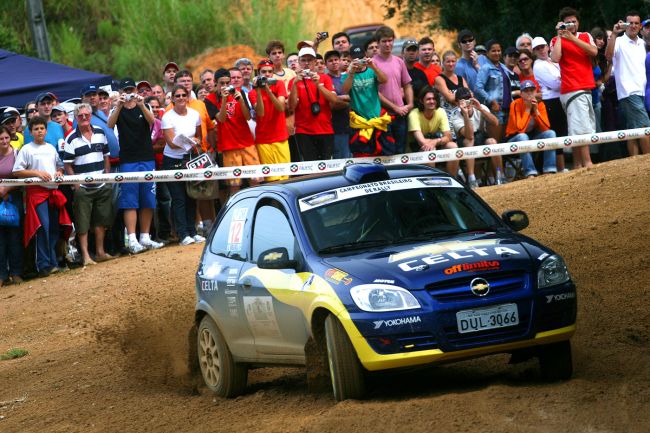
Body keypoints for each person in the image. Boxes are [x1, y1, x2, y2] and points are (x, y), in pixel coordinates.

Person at [107, 78, 163, 253]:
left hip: (146, 158)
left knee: (148, 197)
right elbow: (110, 124)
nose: (129, 92)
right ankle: (131, 238)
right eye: (126, 90)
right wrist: (119, 105)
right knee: (129, 200)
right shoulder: (118, 108)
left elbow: (152, 120)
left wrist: (141, 104)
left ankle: (145, 236)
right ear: (122, 92)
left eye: (131, 89)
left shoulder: (142, 105)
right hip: (128, 160)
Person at [13, 116, 72, 277]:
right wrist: (36, 172)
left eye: (42, 128)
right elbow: (17, 171)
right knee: (42, 228)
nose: (39, 131)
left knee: (53, 228)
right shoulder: (26, 149)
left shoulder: (51, 148)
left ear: (46, 130)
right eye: (36, 129)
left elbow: (59, 166)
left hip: (52, 192)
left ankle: (53, 261)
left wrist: (59, 172)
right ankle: (43, 265)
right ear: (30, 132)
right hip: (37, 194)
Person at [63, 103, 114, 266]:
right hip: (82, 188)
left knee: (101, 221)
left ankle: (100, 252)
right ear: (76, 118)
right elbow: (67, 164)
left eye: (86, 115)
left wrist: (106, 175)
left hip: (101, 184)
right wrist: (76, 183)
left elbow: (106, 154)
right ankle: (86, 256)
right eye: (80, 115)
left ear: (90, 115)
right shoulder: (70, 137)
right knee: (82, 223)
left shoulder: (100, 132)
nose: (84, 118)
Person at [550, 6, 597, 169]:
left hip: (585, 88)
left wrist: (572, 38)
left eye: (573, 22)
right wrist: (561, 35)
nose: (570, 25)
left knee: (578, 128)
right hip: (572, 89)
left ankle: (578, 164)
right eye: (567, 23)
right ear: (561, 24)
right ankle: (587, 163)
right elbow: (555, 58)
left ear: (578, 22)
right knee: (581, 128)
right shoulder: (557, 40)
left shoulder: (585, 36)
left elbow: (594, 51)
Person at [161, 85, 204, 246]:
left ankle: (193, 231)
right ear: (172, 99)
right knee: (178, 198)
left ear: (187, 97)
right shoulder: (167, 116)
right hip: (172, 160)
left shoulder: (195, 114)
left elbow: (200, 136)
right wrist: (189, 143)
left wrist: (195, 142)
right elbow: (171, 143)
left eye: (183, 95)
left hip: (190, 159)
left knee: (191, 195)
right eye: (177, 95)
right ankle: (183, 233)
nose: (180, 98)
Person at [605, 11, 650, 155]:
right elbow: (608, 56)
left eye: (636, 23)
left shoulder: (643, 43)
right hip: (629, 92)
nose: (633, 26)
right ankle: (647, 161)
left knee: (633, 131)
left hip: (643, 92)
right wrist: (613, 34)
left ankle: (634, 165)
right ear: (625, 24)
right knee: (645, 127)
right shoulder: (618, 41)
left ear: (640, 26)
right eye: (630, 23)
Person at [215, 72, 261, 196]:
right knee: (234, 185)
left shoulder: (240, 93)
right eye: (221, 83)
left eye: (227, 83)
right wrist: (224, 100)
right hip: (229, 145)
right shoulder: (211, 99)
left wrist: (240, 100)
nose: (225, 86)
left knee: (255, 180)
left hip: (247, 142)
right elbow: (222, 119)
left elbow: (247, 117)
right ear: (216, 84)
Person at [289, 46, 338, 161]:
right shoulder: (294, 81)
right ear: (299, 62)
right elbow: (291, 107)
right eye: (304, 60)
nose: (307, 63)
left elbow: (334, 100)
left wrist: (318, 85)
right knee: (310, 167)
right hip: (303, 131)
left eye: (310, 60)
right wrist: (295, 84)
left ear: (315, 62)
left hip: (325, 129)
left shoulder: (325, 78)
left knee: (327, 167)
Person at [451, 87, 507, 186]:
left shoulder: (480, 107)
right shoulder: (455, 117)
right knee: (469, 141)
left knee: (492, 142)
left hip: (481, 137)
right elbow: (469, 135)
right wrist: (465, 115)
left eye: (468, 98)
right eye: (463, 99)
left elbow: (495, 122)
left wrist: (480, 109)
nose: (467, 102)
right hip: (465, 144)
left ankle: (500, 176)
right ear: (457, 103)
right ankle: (472, 179)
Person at [342, 46, 390, 156]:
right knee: (362, 155)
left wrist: (373, 66)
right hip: (359, 122)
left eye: (361, 58)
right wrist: (351, 73)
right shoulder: (347, 74)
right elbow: (345, 90)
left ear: (366, 57)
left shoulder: (372, 71)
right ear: (350, 58)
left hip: (377, 119)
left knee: (383, 155)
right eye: (356, 59)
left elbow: (384, 80)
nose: (359, 62)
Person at [373, 25, 414, 155]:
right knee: (387, 153)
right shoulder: (372, 64)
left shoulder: (399, 62)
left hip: (400, 114)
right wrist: (394, 107)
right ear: (378, 43)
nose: (388, 44)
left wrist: (410, 103)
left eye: (390, 40)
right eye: (384, 41)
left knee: (401, 151)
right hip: (383, 115)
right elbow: (375, 92)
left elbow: (407, 84)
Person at [248, 59, 290, 181]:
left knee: (285, 175)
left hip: (280, 136)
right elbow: (260, 112)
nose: (267, 74)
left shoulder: (279, 84)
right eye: (264, 72)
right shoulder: (253, 92)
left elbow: (281, 107)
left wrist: (268, 91)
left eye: (270, 72)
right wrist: (259, 91)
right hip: (263, 139)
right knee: (271, 178)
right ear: (258, 73)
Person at [505, 80, 557, 177]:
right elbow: (520, 129)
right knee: (523, 137)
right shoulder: (515, 104)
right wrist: (528, 109)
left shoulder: (540, 104)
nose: (529, 93)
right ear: (521, 94)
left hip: (532, 136)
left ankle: (549, 170)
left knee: (551, 134)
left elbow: (546, 128)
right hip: (513, 139)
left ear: (535, 92)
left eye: (532, 90)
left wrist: (536, 110)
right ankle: (530, 172)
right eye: (526, 91)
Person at [533, 36, 568, 172]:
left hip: (559, 99)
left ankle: (559, 167)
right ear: (534, 52)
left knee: (561, 132)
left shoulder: (552, 61)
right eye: (537, 48)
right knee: (557, 133)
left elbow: (559, 81)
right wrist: (563, 78)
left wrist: (561, 79)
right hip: (551, 102)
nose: (541, 50)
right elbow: (555, 84)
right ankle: (560, 167)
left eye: (542, 47)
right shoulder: (538, 66)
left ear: (548, 47)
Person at [407, 86, 459, 175]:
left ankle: (453, 179)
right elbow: (422, 142)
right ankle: (432, 181)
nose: (432, 101)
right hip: (415, 147)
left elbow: (449, 137)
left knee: (453, 146)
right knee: (430, 150)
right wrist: (436, 142)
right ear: (421, 101)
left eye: (434, 99)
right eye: (428, 99)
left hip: (435, 141)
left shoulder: (441, 111)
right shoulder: (414, 114)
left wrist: (436, 141)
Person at [0, 126, 24, 285]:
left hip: (14, 198)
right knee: (0, 240)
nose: (4, 141)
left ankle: (16, 273)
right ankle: (2, 275)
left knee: (15, 238)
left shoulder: (17, 154)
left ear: (10, 138)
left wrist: (7, 189)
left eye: (6, 138)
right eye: (1, 139)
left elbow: (22, 176)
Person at [475, 40, 511, 142]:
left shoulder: (503, 67)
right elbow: (478, 88)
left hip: (507, 109)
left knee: (505, 142)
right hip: (495, 110)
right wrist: (491, 101)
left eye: (499, 51)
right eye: (493, 51)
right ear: (487, 53)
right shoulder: (485, 68)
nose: (497, 53)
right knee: (496, 144)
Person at [323, 51, 352, 159]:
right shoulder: (325, 79)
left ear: (340, 61)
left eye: (336, 59)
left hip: (352, 122)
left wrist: (340, 98)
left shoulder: (348, 77)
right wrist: (349, 100)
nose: (334, 62)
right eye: (330, 61)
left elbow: (354, 95)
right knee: (341, 158)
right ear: (326, 64)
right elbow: (332, 103)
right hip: (336, 125)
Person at [455, 29, 488, 93]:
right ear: (459, 45)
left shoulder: (483, 59)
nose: (468, 43)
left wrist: (477, 65)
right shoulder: (458, 66)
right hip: (473, 101)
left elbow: (490, 81)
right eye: (464, 41)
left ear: (474, 41)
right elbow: (462, 90)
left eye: (470, 40)